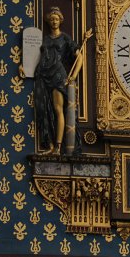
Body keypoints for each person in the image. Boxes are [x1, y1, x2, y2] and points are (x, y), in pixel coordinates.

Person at [30, 8, 91, 154]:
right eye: (51, 19)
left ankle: (57, 146)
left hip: (58, 75)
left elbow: (80, 57)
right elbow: (36, 56)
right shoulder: (44, 39)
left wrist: (74, 76)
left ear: (60, 20)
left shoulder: (65, 38)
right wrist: (23, 66)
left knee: (58, 110)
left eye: (56, 19)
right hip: (43, 75)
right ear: (48, 21)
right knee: (45, 109)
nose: (54, 21)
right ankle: (50, 144)